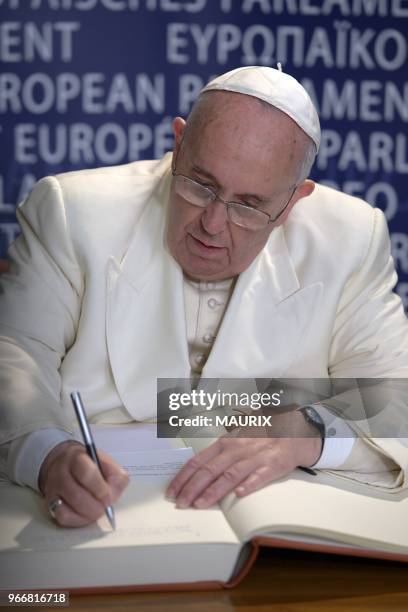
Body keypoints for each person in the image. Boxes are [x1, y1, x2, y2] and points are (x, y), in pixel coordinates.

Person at [0, 66, 407, 528]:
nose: (213, 225)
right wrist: (47, 453)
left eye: (250, 206)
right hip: (97, 508)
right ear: (178, 146)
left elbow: (397, 398)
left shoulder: (350, 237)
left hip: (277, 522)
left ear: (293, 202)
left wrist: (308, 432)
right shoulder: (72, 211)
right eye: (201, 185)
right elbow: (15, 355)